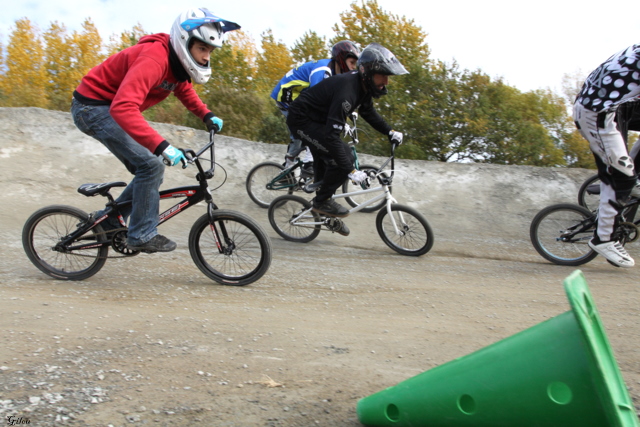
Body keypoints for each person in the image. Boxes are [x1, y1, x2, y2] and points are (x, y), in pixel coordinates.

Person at [71, 8, 240, 253]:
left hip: (111, 107)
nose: (206, 57)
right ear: (185, 42)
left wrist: (207, 114)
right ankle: (141, 234)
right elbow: (123, 107)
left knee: (148, 167)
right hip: (92, 108)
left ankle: (108, 219)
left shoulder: (176, 64)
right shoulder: (154, 58)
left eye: (210, 51)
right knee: (151, 165)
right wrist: (163, 146)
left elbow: (183, 89)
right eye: (202, 49)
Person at [286, 42, 408, 236]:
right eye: (382, 75)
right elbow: (331, 136)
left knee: (336, 159)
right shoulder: (347, 93)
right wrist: (350, 171)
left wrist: (389, 131)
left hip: (318, 119)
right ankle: (322, 201)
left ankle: (323, 201)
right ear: (368, 72)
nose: (386, 81)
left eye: (388, 76)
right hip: (302, 121)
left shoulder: (362, 85)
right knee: (344, 160)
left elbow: (368, 112)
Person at [573, 44, 640, 267]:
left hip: (617, 108)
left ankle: (632, 175)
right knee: (621, 177)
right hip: (596, 117)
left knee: (628, 175)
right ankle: (603, 239)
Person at [271, 40, 361, 177]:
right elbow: (317, 103)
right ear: (342, 59)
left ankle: (288, 166)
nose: (354, 68)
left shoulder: (336, 74)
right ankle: (307, 163)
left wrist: (350, 112)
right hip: (287, 95)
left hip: (301, 96)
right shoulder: (323, 71)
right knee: (312, 127)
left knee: (302, 135)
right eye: (352, 63)